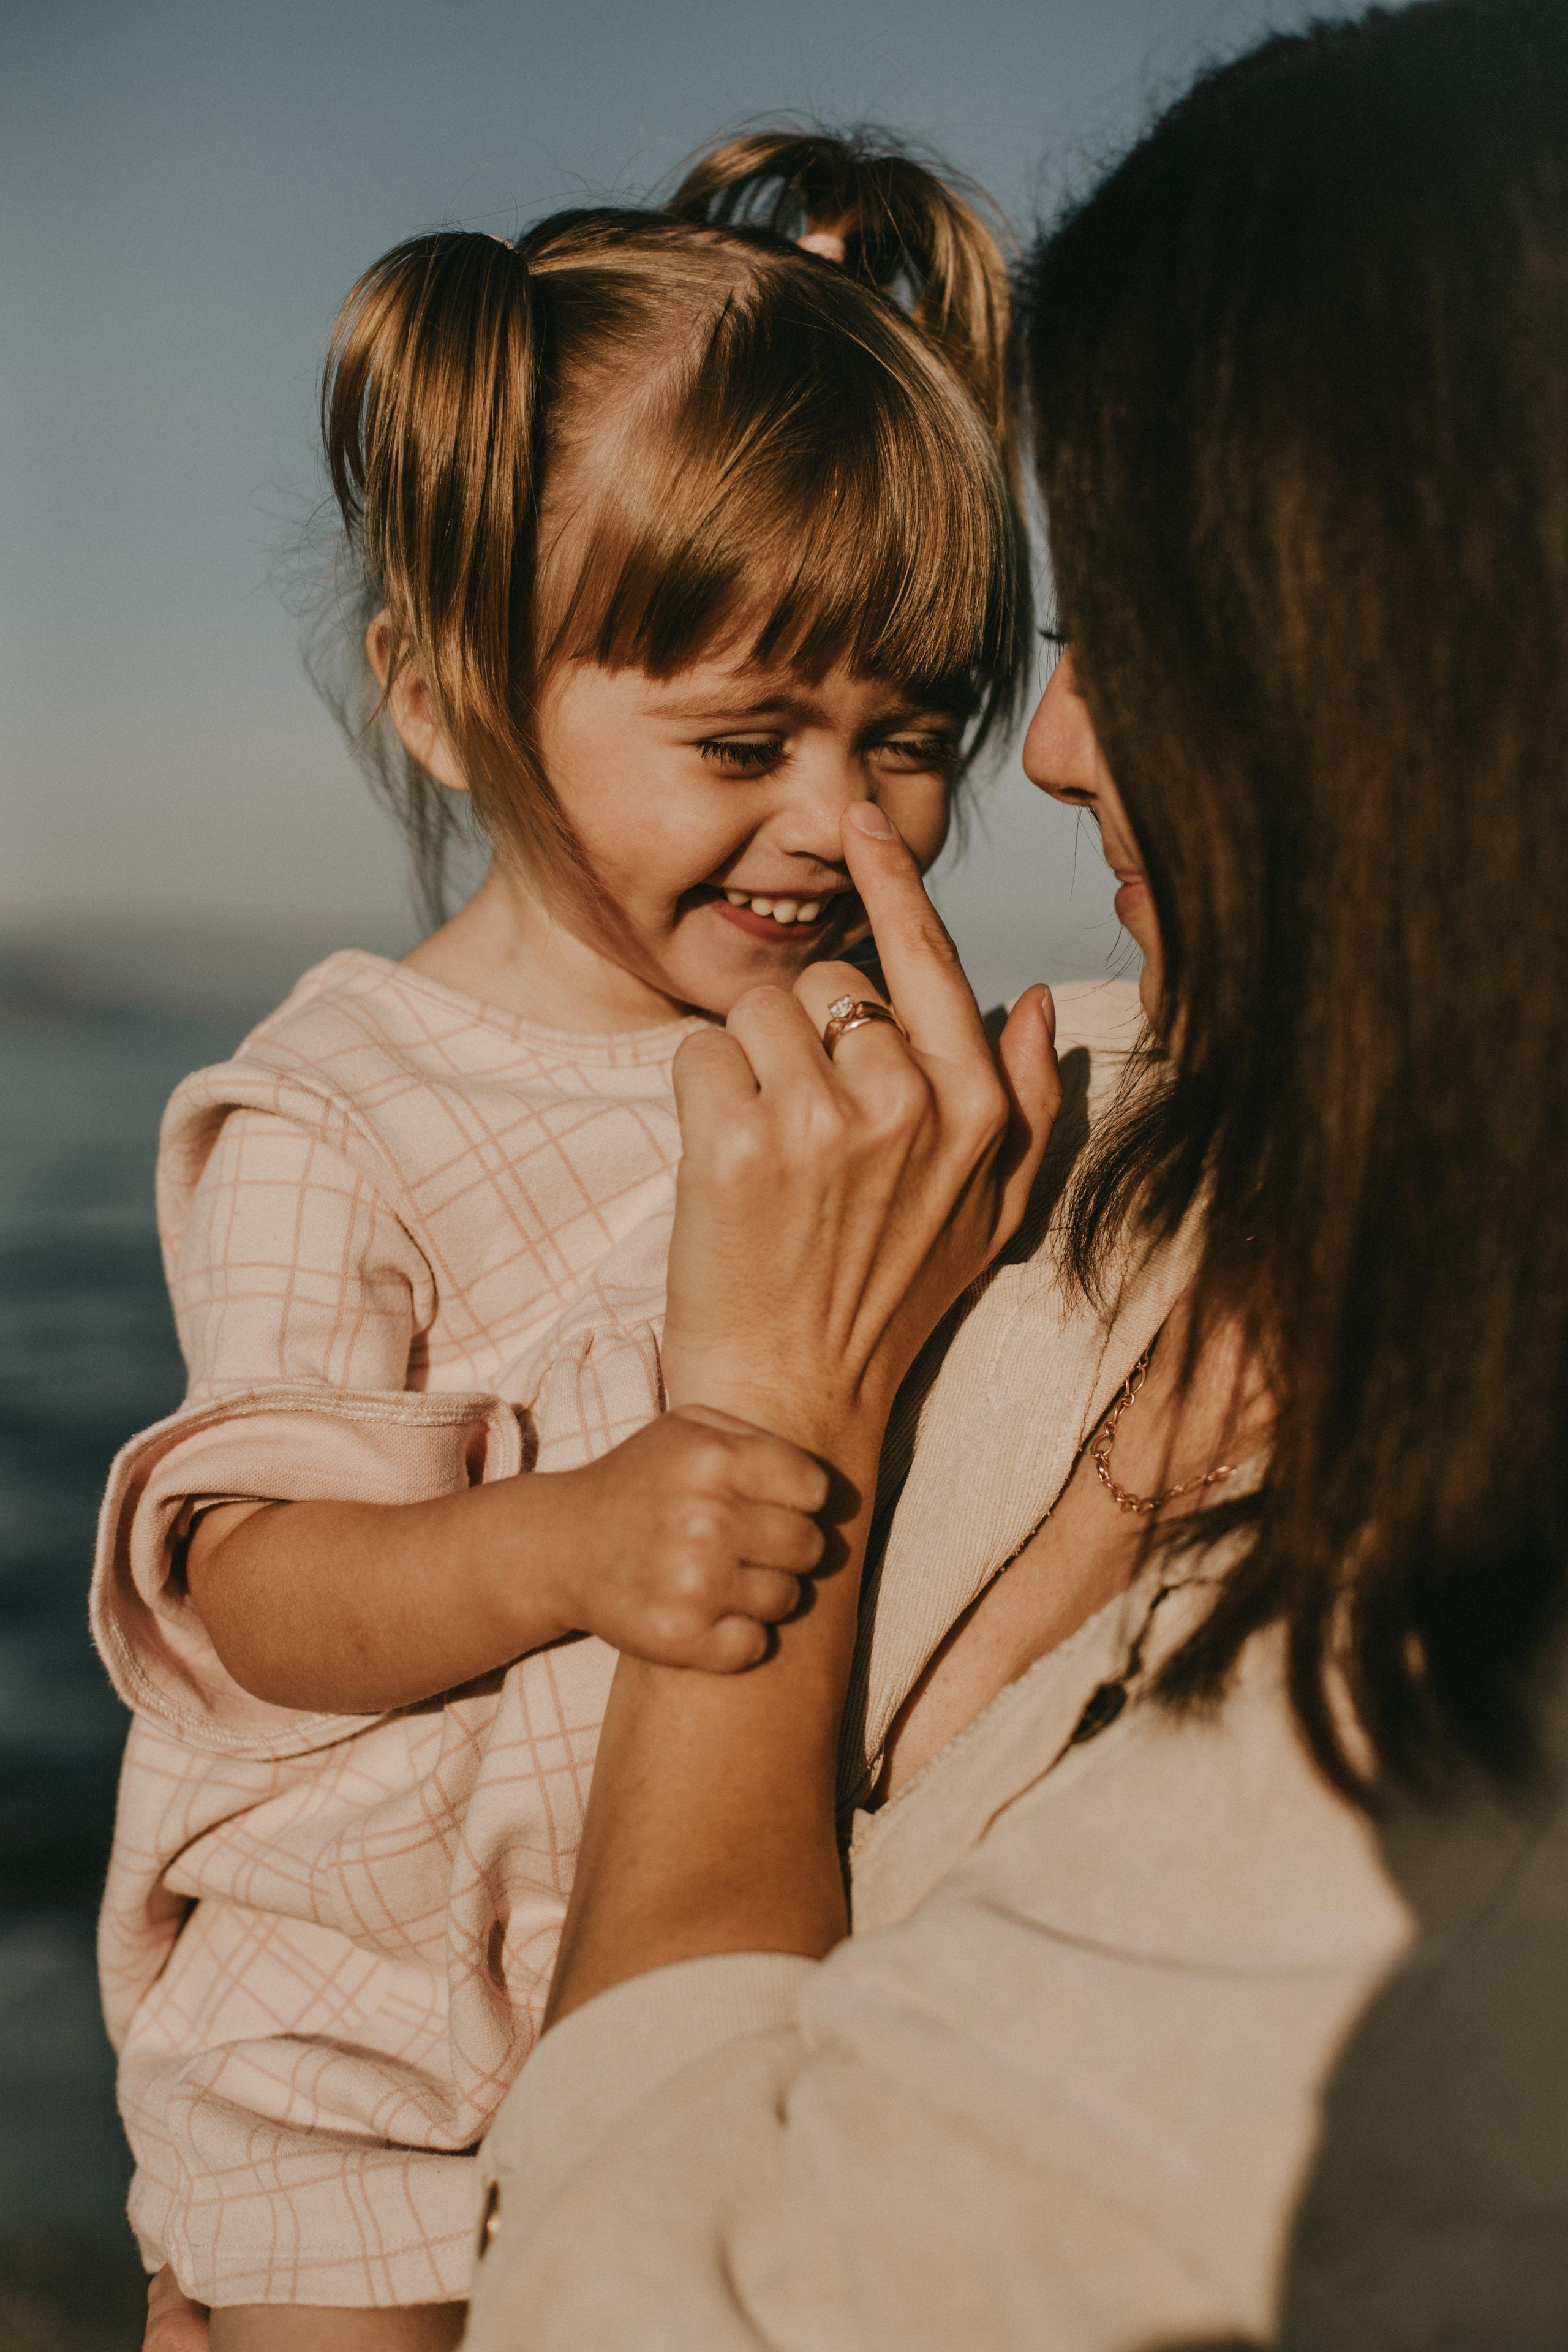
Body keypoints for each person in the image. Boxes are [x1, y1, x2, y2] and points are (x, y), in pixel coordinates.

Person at [455, 4, 1568, 2345]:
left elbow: (646, 2305)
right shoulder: (1156, 1142)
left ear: (1397, 668)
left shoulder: (1443, 1848)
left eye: (1117, 638)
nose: (1050, 751)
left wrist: (769, 1412)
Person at [97, 131, 1034, 2348]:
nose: (839, 821)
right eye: (743, 740)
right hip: (359, 2037)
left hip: (688, 1966)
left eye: (907, 742)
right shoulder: (347, 1104)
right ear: (448, 700)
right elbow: (247, 1596)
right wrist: (573, 1541)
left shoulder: (868, 1066)